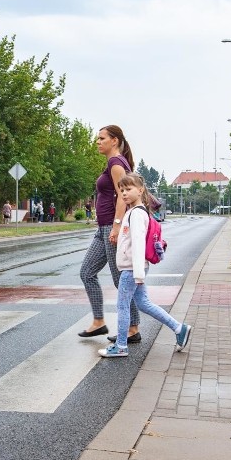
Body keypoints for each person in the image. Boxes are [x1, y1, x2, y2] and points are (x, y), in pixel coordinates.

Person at [99, 172, 192, 357]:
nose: (124, 193)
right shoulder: (134, 212)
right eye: (122, 190)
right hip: (134, 268)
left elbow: (139, 243)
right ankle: (179, 328)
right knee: (143, 303)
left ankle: (121, 346)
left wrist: (138, 273)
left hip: (132, 269)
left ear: (140, 190)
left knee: (123, 306)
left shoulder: (136, 215)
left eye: (129, 189)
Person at [78, 125, 140, 341]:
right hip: (102, 228)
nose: (98, 141)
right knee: (87, 272)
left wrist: (116, 226)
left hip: (111, 228)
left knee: (120, 280)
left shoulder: (116, 164)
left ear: (114, 140)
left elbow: (123, 197)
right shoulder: (114, 162)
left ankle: (133, 328)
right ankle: (98, 322)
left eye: (102, 138)